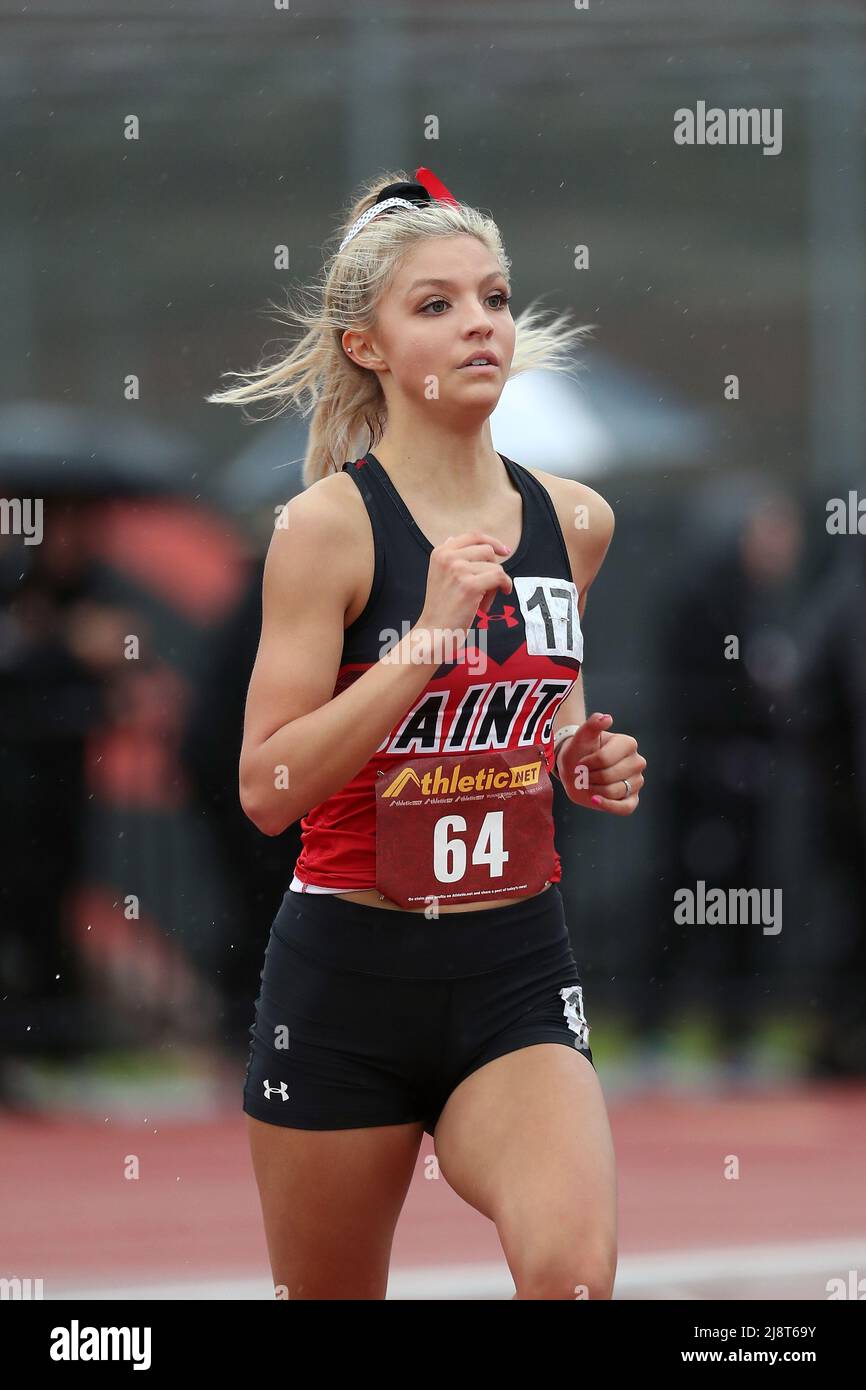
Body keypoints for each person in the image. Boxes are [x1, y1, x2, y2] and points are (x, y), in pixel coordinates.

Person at [206, 167, 646, 1300]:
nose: (480, 325)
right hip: (348, 978)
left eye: (494, 298)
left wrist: (572, 755)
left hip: (512, 964)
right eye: (436, 304)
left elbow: (539, 706)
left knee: (572, 1277)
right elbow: (266, 788)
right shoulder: (326, 529)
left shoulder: (574, 519)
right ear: (368, 346)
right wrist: (424, 640)